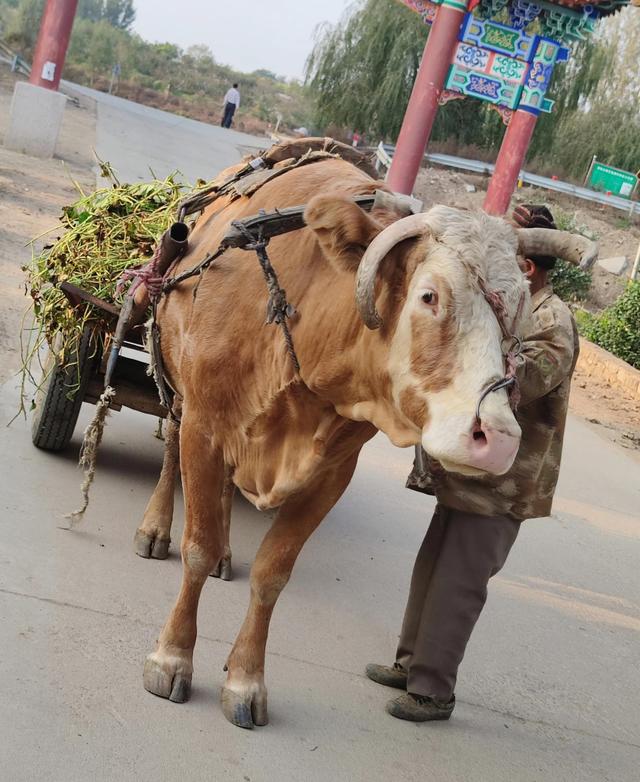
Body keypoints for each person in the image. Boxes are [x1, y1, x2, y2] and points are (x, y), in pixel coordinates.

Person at [366, 205, 580, 722]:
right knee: (433, 569)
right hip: (469, 476)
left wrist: (478, 341)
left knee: (458, 584)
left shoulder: (551, 320)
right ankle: (411, 663)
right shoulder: (509, 310)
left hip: (502, 485)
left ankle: (433, 691)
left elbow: (520, 383)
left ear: (525, 269)